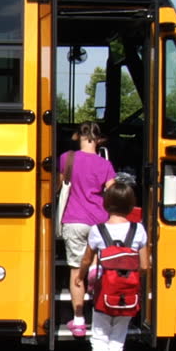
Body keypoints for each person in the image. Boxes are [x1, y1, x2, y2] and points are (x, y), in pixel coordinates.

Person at [77, 182, 148, 351]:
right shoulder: (138, 230)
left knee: (99, 339)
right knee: (118, 341)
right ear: (130, 205)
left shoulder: (98, 230)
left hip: (104, 294)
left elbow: (87, 260)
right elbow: (145, 265)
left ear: (106, 204)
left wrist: (80, 276)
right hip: (127, 296)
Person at [59, 122, 116, 337]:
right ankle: (94, 271)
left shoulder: (66, 158)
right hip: (99, 222)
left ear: (77, 136)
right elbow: (112, 192)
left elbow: (61, 184)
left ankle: (79, 321)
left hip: (74, 220)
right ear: (100, 140)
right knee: (96, 265)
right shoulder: (105, 165)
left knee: (76, 271)